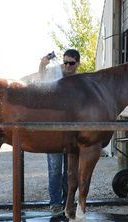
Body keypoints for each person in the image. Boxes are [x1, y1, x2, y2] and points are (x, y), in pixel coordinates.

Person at [38, 49, 81, 213]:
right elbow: (42, 81)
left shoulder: (79, 81)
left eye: (71, 63)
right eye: (65, 62)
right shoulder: (56, 75)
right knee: (55, 169)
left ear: (78, 63)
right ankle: (55, 203)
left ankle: (68, 201)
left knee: (71, 171)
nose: (68, 66)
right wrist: (42, 64)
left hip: (73, 132)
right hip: (54, 132)